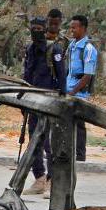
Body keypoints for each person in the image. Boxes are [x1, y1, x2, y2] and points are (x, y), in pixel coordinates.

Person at [22, 16, 66, 196]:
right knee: (34, 139)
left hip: (49, 100)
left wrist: (62, 95)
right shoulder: (30, 49)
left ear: (45, 29)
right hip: (32, 100)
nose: (36, 31)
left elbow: (61, 73)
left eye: (40, 28)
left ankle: (51, 179)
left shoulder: (53, 48)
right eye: (33, 28)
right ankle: (39, 178)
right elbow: (26, 74)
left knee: (49, 142)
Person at [66, 14, 98, 163]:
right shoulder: (72, 46)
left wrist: (72, 92)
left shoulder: (89, 49)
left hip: (79, 93)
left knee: (78, 124)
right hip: (67, 89)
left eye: (74, 27)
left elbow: (87, 76)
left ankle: (80, 154)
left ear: (83, 28)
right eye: (71, 27)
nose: (72, 30)